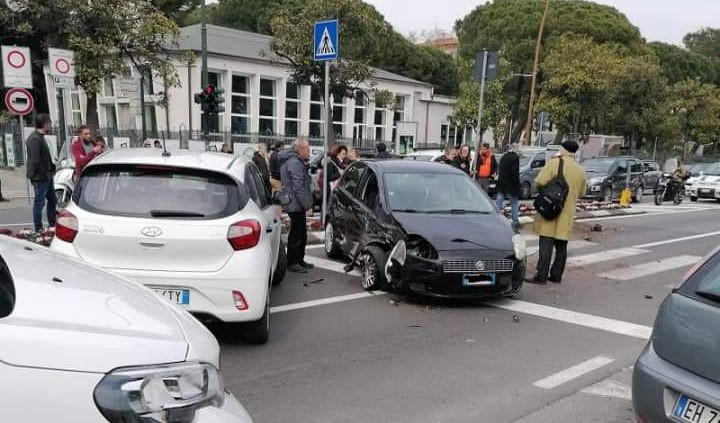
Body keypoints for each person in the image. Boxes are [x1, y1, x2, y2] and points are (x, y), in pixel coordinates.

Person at [527, 141, 586, 285]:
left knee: (546, 243)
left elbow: (540, 181)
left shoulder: (555, 163)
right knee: (561, 246)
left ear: (563, 150)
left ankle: (541, 276)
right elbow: (583, 192)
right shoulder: (580, 170)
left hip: (550, 209)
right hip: (567, 213)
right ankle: (556, 275)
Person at [279, 138, 315, 274]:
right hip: (295, 203)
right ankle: (293, 262)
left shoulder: (296, 161)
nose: (309, 152)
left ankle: (299, 260)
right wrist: (307, 205)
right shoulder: (294, 163)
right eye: (307, 149)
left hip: (295, 202)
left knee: (301, 233)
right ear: (300, 149)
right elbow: (298, 187)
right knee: (297, 233)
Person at [25, 114, 57, 234]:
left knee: (52, 200)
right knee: (39, 203)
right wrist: (44, 174)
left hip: (46, 175)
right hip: (40, 177)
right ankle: (38, 227)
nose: (50, 125)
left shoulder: (40, 137)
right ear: (44, 124)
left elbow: (44, 157)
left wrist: (52, 167)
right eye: (49, 123)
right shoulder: (34, 139)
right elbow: (35, 160)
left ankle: (52, 224)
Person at [496, 143, 521, 232]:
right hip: (511, 184)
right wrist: (517, 183)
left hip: (502, 183)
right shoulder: (515, 158)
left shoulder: (503, 157)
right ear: (515, 149)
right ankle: (515, 222)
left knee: (499, 202)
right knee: (514, 203)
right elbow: (515, 173)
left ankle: (495, 218)